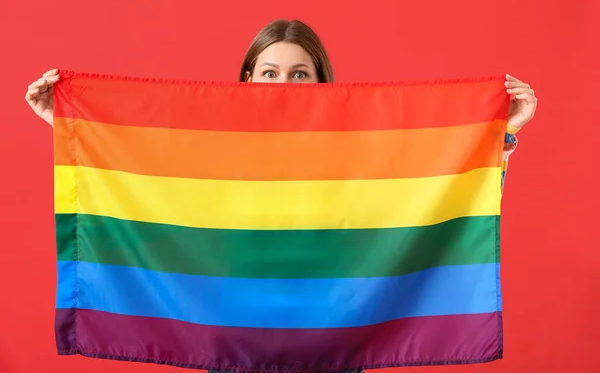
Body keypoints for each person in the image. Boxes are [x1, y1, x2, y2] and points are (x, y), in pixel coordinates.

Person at [24, 19, 537, 373]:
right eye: (269, 73)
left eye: (300, 74)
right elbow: (128, 176)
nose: (283, 84)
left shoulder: (360, 158)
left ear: (322, 84)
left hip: (336, 346)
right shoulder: (209, 157)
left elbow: (446, 199)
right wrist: (66, 125)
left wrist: (501, 137)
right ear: (247, 80)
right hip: (232, 349)